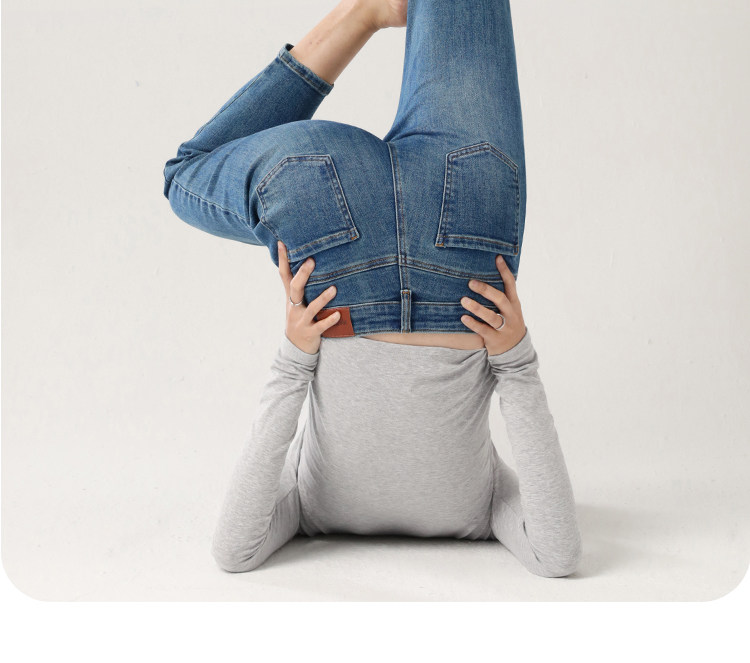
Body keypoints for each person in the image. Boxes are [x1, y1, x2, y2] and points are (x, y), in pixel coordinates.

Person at [163, 0, 583, 577]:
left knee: (189, 171)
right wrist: (515, 361)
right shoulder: (488, 508)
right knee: (190, 173)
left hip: (413, 245)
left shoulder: (306, 509)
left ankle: (366, 13)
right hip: (425, 260)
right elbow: (557, 555)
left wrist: (295, 358)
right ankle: (364, 13)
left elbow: (233, 550)